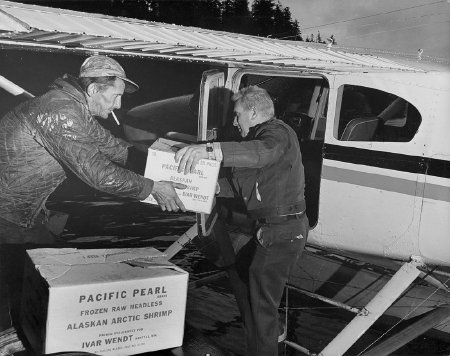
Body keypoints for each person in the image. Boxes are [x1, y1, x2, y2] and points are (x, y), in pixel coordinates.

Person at [175, 85, 309, 356]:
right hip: (271, 229)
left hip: (281, 231)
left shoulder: (276, 134)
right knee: (254, 298)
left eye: (238, 116)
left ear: (254, 112)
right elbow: (244, 183)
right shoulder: (261, 138)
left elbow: (263, 152)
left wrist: (210, 151)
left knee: (260, 308)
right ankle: (266, 342)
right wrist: (213, 188)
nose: (235, 123)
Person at [0, 55, 186, 244]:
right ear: (93, 89)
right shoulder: (60, 111)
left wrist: (172, 164)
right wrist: (154, 187)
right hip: (7, 218)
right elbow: (99, 174)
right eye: (116, 96)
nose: (118, 105)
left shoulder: (73, 107)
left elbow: (114, 147)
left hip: (23, 214)